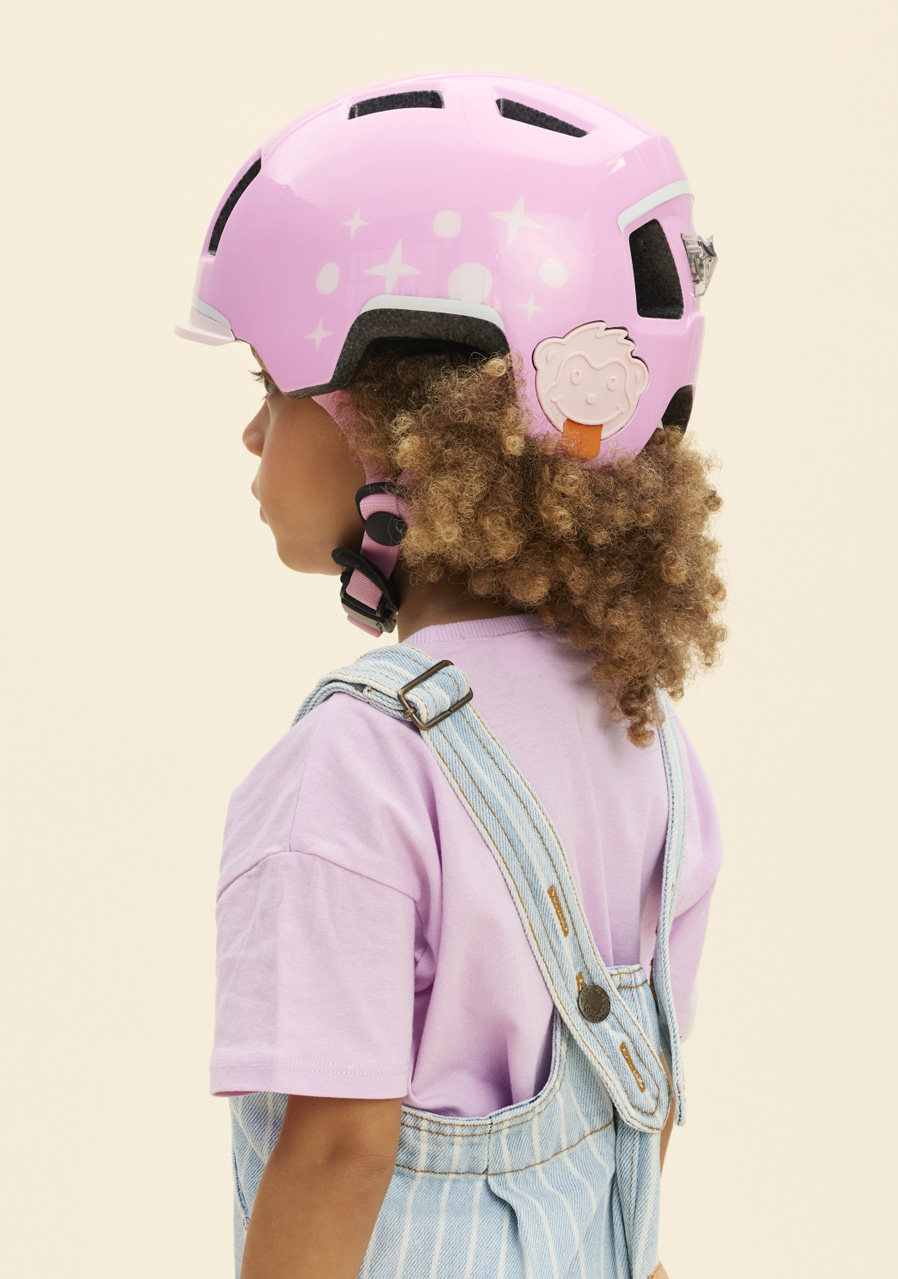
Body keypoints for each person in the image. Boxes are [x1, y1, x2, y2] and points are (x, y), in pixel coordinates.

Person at [175, 69, 725, 1279]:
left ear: (402, 429)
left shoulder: (354, 764)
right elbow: (642, 1115)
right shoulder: (644, 738)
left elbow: (337, 1150)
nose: (254, 433)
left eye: (274, 387)